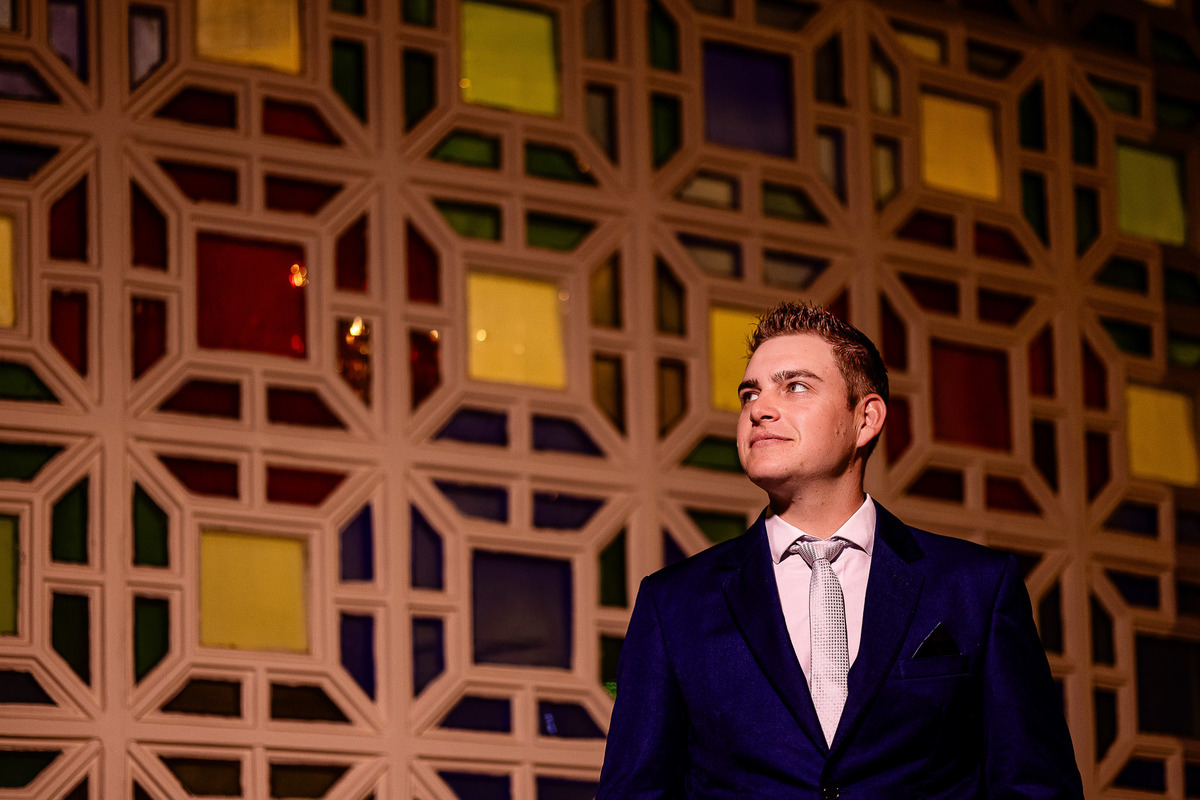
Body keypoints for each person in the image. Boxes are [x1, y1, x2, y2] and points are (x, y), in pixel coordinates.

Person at [596, 301, 1084, 799]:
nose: (759, 409)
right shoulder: (673, 604)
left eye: (795, 386)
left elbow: (1037, 786)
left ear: (866, 418)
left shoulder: (975, 587)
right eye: (750, 394)